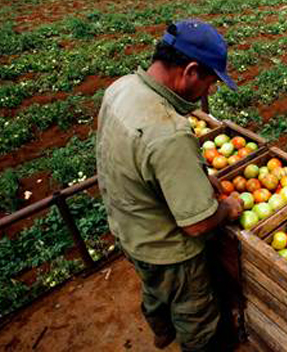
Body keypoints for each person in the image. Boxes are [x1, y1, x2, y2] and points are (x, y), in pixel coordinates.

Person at [96, 19, 244, 351]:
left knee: (152, 287)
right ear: (191, 70)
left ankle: (161, 331)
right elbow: (199, 223)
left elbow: (137, 160)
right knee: (196, 314)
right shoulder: (169, 131)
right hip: (168, 251)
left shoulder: (121, 88)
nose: (208, 91)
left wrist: (193, 176)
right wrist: (229, 208)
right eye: (209, 82)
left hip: (128, 227)